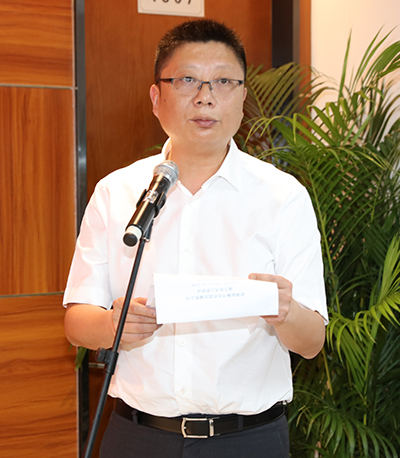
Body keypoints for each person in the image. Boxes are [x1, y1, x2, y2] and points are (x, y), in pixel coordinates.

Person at [64, 19, 328, 458]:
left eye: (223, 81)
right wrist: (113, 325)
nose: (206, 97)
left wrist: (286, 311)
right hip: (139, 436)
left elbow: (312, 340)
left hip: (248, 440)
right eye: (187, 80)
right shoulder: (117, 192)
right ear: (156, 98)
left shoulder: (283, 196)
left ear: (242, 98)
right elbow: (76, 323)